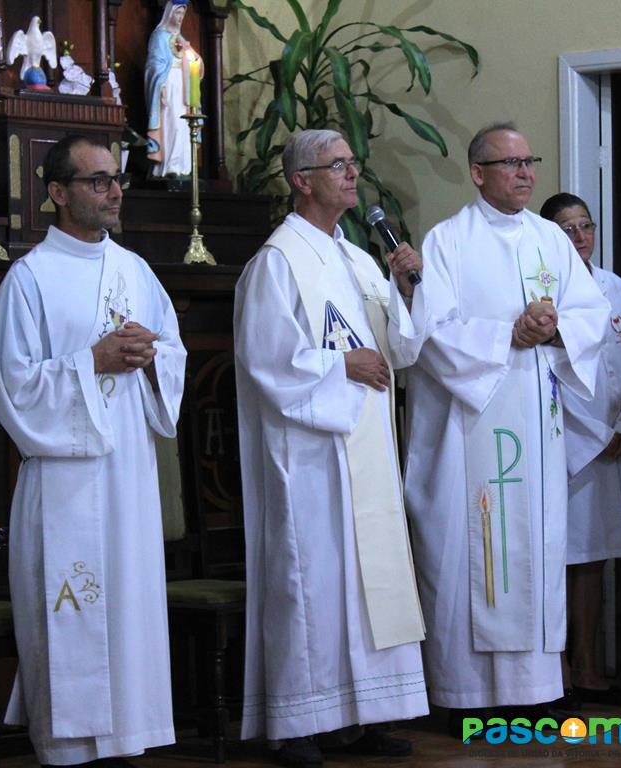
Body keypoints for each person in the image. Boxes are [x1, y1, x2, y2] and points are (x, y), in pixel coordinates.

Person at [401, 123, 610, 735]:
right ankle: (466, 693)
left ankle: (537, 690)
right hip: (475, 427)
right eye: (510, 163)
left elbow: (590, 312)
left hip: (536, 427)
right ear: (477, 173)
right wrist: (505, 335)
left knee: (535, 549)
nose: (524, 173)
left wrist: (555, 327)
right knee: (477, 552)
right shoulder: (448, 242)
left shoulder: (550, 238)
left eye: (529, 161)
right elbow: (429, 331)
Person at [0, 135, 186, 765]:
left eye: (115, 179)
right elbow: (9, 388)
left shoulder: (135, 270)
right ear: (57, 193)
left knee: (127, 613)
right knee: (67, 616)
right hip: (63, 481)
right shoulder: (28, 279)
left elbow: (173, 353)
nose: (114, 190)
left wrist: (152, 360)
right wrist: (90, 362)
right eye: (97, 181)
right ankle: (69, 750)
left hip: (127, 474)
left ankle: (129, 741)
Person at [234, 129, 429, 767]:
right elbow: (266, 361)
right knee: (312, 583)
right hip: (310, 455)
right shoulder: (277, 262)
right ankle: (297, 723)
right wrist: (340, 367)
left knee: (367, 583)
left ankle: (365, 711)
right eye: (337, 165)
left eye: (352, 164)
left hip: (365, 443)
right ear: (301, 179)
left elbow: (398, 351)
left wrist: (404, 289)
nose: (352, 174)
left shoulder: (358, 258)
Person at [540, 192, 621, 706]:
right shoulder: (543, 292)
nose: (580, 237)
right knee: (556, 558)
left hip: (610, 445)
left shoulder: (616, 289)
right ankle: (558, 675)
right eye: (568, 229)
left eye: (586, 226)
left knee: (595, 559)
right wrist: (593, 432)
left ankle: (591, 668)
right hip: (565, 443)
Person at [144, 0, 203, 177]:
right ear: (170, 13)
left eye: (183, 14)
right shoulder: (159, 36)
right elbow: (153, 65)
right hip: (168, 86)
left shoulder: (181, 39)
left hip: (183, 88)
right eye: (177, 13)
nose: (180, 17)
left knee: (184, 126)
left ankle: (184, 167)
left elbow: (196, 63)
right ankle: (169, 166)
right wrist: (160, 85)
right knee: (172, 125)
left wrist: (193, 58)